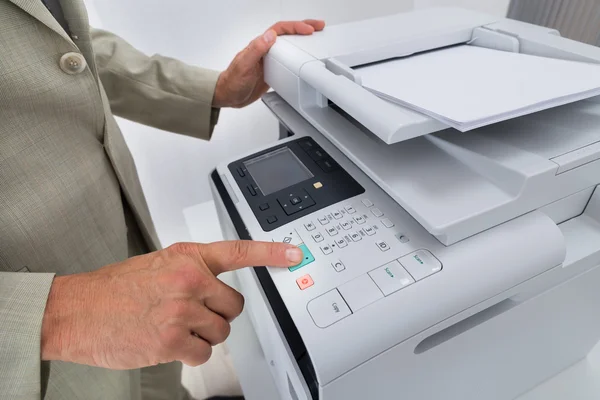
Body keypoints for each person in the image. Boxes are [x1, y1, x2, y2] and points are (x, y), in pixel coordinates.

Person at [0, 0, 325, 399]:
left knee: (161, 375)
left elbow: (61, 44)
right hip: (30, 338)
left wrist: (211, 88)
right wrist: (55, 314)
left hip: (114, 227)